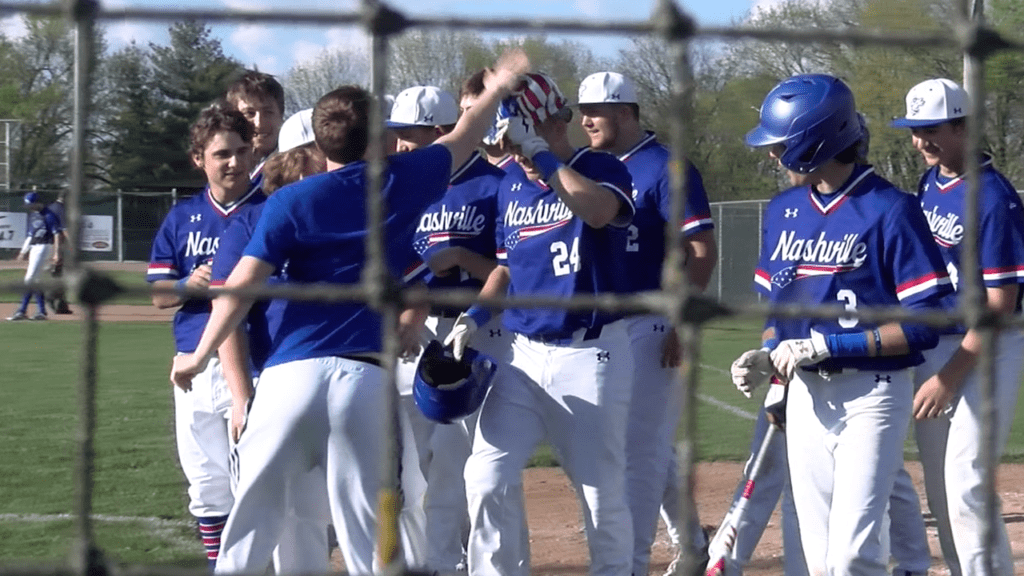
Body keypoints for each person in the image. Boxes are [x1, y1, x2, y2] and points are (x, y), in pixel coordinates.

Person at [168, 50, 529, 575]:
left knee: (252, 520)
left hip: (287, 380)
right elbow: (466, 135)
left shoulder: (288, 203)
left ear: (318, 143)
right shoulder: (401, 180)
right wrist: (496, 86)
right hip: (364, 380)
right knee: (376, 524)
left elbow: (240, 287)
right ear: (380, 139)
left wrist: (197, 355)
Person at [731, 73, 953, 576]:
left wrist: (828, 345)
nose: (773, 155)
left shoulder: (892, 210)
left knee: (854, 553)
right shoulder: (784, 209)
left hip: (873, 395)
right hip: (807, 395)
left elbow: (926, 324)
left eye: (782, 144)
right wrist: (770, 357)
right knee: (818, 554)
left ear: (815, 141)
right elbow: (777, 314)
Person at [447, 72, 636, 576]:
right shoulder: (511, 183)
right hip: (522, 354)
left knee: (600, 495)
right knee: (485, 477)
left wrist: (545, 157)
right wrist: (475, 315)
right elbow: (507, 267)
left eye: (521, 131)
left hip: (591, 351)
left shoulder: (600, 165)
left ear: (556, 118)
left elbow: (597, 213)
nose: (513, 148)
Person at [576, 71, 717, 576]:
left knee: (634, 452)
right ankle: (695, 546)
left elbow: (700, 250)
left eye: (596, 109)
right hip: (606, 327)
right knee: (643, 444)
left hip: (653, 323)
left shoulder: (667, 168)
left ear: (626, 112)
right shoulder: (590, 169)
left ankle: (632, 563)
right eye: (581, 109)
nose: (585, 119)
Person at [893, 77, 1024, 576]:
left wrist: (950, 375)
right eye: (914, 129)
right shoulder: (932, 183)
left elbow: (1001, 304)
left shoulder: (993, 199)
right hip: (938, 343)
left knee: (967, 478)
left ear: (963, 127)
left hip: (987, 348)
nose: (920, 141)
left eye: (930, 129)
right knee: (941, 485)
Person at [387, 84, 512, 573]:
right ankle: (436, 560)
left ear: (441, 132)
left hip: (478, 331)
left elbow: (517, 272)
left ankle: (468, 564)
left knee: (471, 465)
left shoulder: (493, 184)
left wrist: (462, 257)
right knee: (416, 465)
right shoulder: (405, 189)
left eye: (409, 135)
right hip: (418, 332)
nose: (400, 146)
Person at [146, 103, 263, 568]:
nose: (233, 162)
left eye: (240, 151)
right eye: (221, 154)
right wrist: (184, 285)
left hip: (256, 359)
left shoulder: (268, 207)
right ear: (200, 159)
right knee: (207, 483)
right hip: (193, 360)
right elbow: (157, 294)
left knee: (255, 478)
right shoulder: (182, 216)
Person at [225, 70, 285, 193]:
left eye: (268, 112)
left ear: (281, 115)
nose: (259, 123)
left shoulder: (296, 168)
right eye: (249, 113)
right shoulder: (223, 167)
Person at [7, 192, 62, 321]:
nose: (30, 207)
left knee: (29, 279)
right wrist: (23, 251)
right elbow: (30, 235)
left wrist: (56, 252)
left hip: (44, 246)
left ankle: (21, 311)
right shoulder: (33, 216)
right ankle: (41, 312)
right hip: (34, 247)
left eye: (31, 204)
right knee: (35, 281)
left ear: (38, 202)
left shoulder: (49, 215)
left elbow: (57, 234)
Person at [45, 193, 72, 315]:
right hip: (56, 245)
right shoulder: (61, 209)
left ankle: (62, 305)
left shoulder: (50, 207)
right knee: (60, 275)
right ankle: (52, 298)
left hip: (46, 244)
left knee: (57, 275)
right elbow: (64, 230)